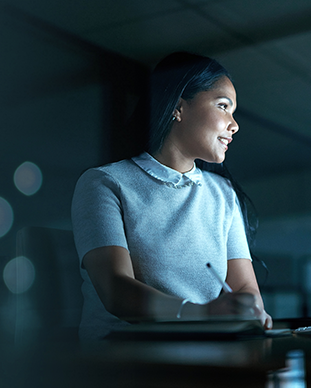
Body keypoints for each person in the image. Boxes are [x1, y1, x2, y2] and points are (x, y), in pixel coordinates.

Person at [71, 52, 272, 340]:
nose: (234, 124)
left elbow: (244, 288)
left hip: (206, 347)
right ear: (179, 108)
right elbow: (116, 290)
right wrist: (203, 315)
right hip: (125, 354)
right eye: (223, 106)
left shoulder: (223, 193)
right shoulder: (104, 183)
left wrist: (248, 308)